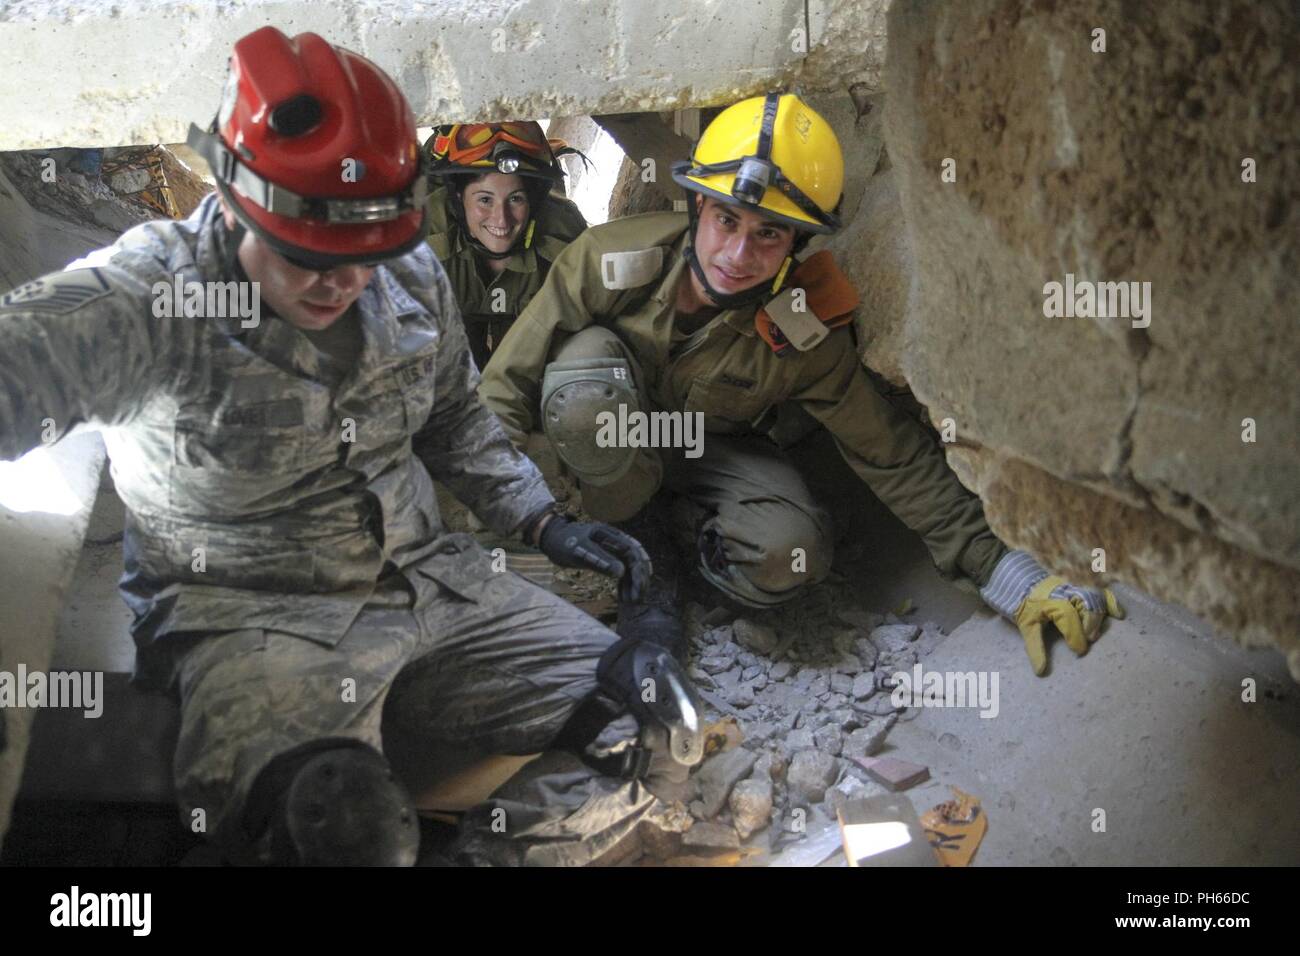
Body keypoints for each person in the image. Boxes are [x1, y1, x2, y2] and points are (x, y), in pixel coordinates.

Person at [0, 26, 703, 866]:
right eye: (308, 258)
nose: (343, 283)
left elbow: (454, 422)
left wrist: (543, 522)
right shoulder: (145, 296)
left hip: (428, 583)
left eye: (363, 255)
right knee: (338, 829)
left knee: (653, 724)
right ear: (232, 199)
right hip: (252, 617)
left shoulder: (405, 269)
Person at [479, 92, 1124, 671]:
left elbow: (890, 453)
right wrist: (482, 528)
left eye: (769, 235)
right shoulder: (607, 261)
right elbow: (508, 382)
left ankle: (687, 542)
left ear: (795, 246)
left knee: (792, 554)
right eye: (726, 220)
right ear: (698, 206)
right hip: (608, 430)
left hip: (708, 451)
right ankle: (648, 558)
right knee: (586, 393)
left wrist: (1006, 571)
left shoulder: (802, 334)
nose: (737, 255)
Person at [424, 121, 588, 371]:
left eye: (515, 199)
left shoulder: (563, 233)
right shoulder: (421, 232)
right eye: (485, 200)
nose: (501, 219)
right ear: (458, 198)